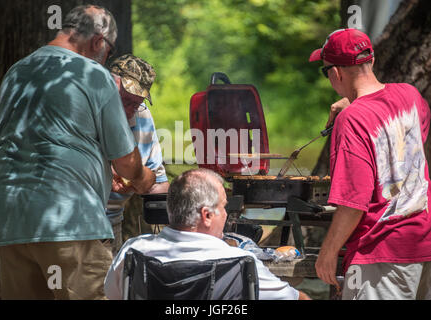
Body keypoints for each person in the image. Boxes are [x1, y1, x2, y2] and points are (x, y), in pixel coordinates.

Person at [0, 5, 155, 300]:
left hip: (11, 224)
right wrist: (145, 178)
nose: (105, 58)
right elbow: (126, 162)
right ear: (98, 41)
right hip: (71, 226)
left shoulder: (15, 73)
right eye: (109, 50)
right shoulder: (92, 74)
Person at [310, 28, 431, 299]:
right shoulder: (410, 96)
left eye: (326, 70)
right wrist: (356, 103)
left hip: (381, 256)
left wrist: (327, 253)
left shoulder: (352, 119)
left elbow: (354, 202)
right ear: (371, 60)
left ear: (336, 73)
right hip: (423, 244)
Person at [104, 168, 311, 300]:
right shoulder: (239, 261)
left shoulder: (134, 250)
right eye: (223, 207)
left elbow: (113, 294)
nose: (226, 214)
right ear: (207, 215)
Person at [106, 54, 170, 256]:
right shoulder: (90, 109)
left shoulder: (142, 115)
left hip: (112, 220)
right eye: (125, 101)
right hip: (78, 222)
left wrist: (188, 189)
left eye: (136, 103)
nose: (129, 111)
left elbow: (156, 183)